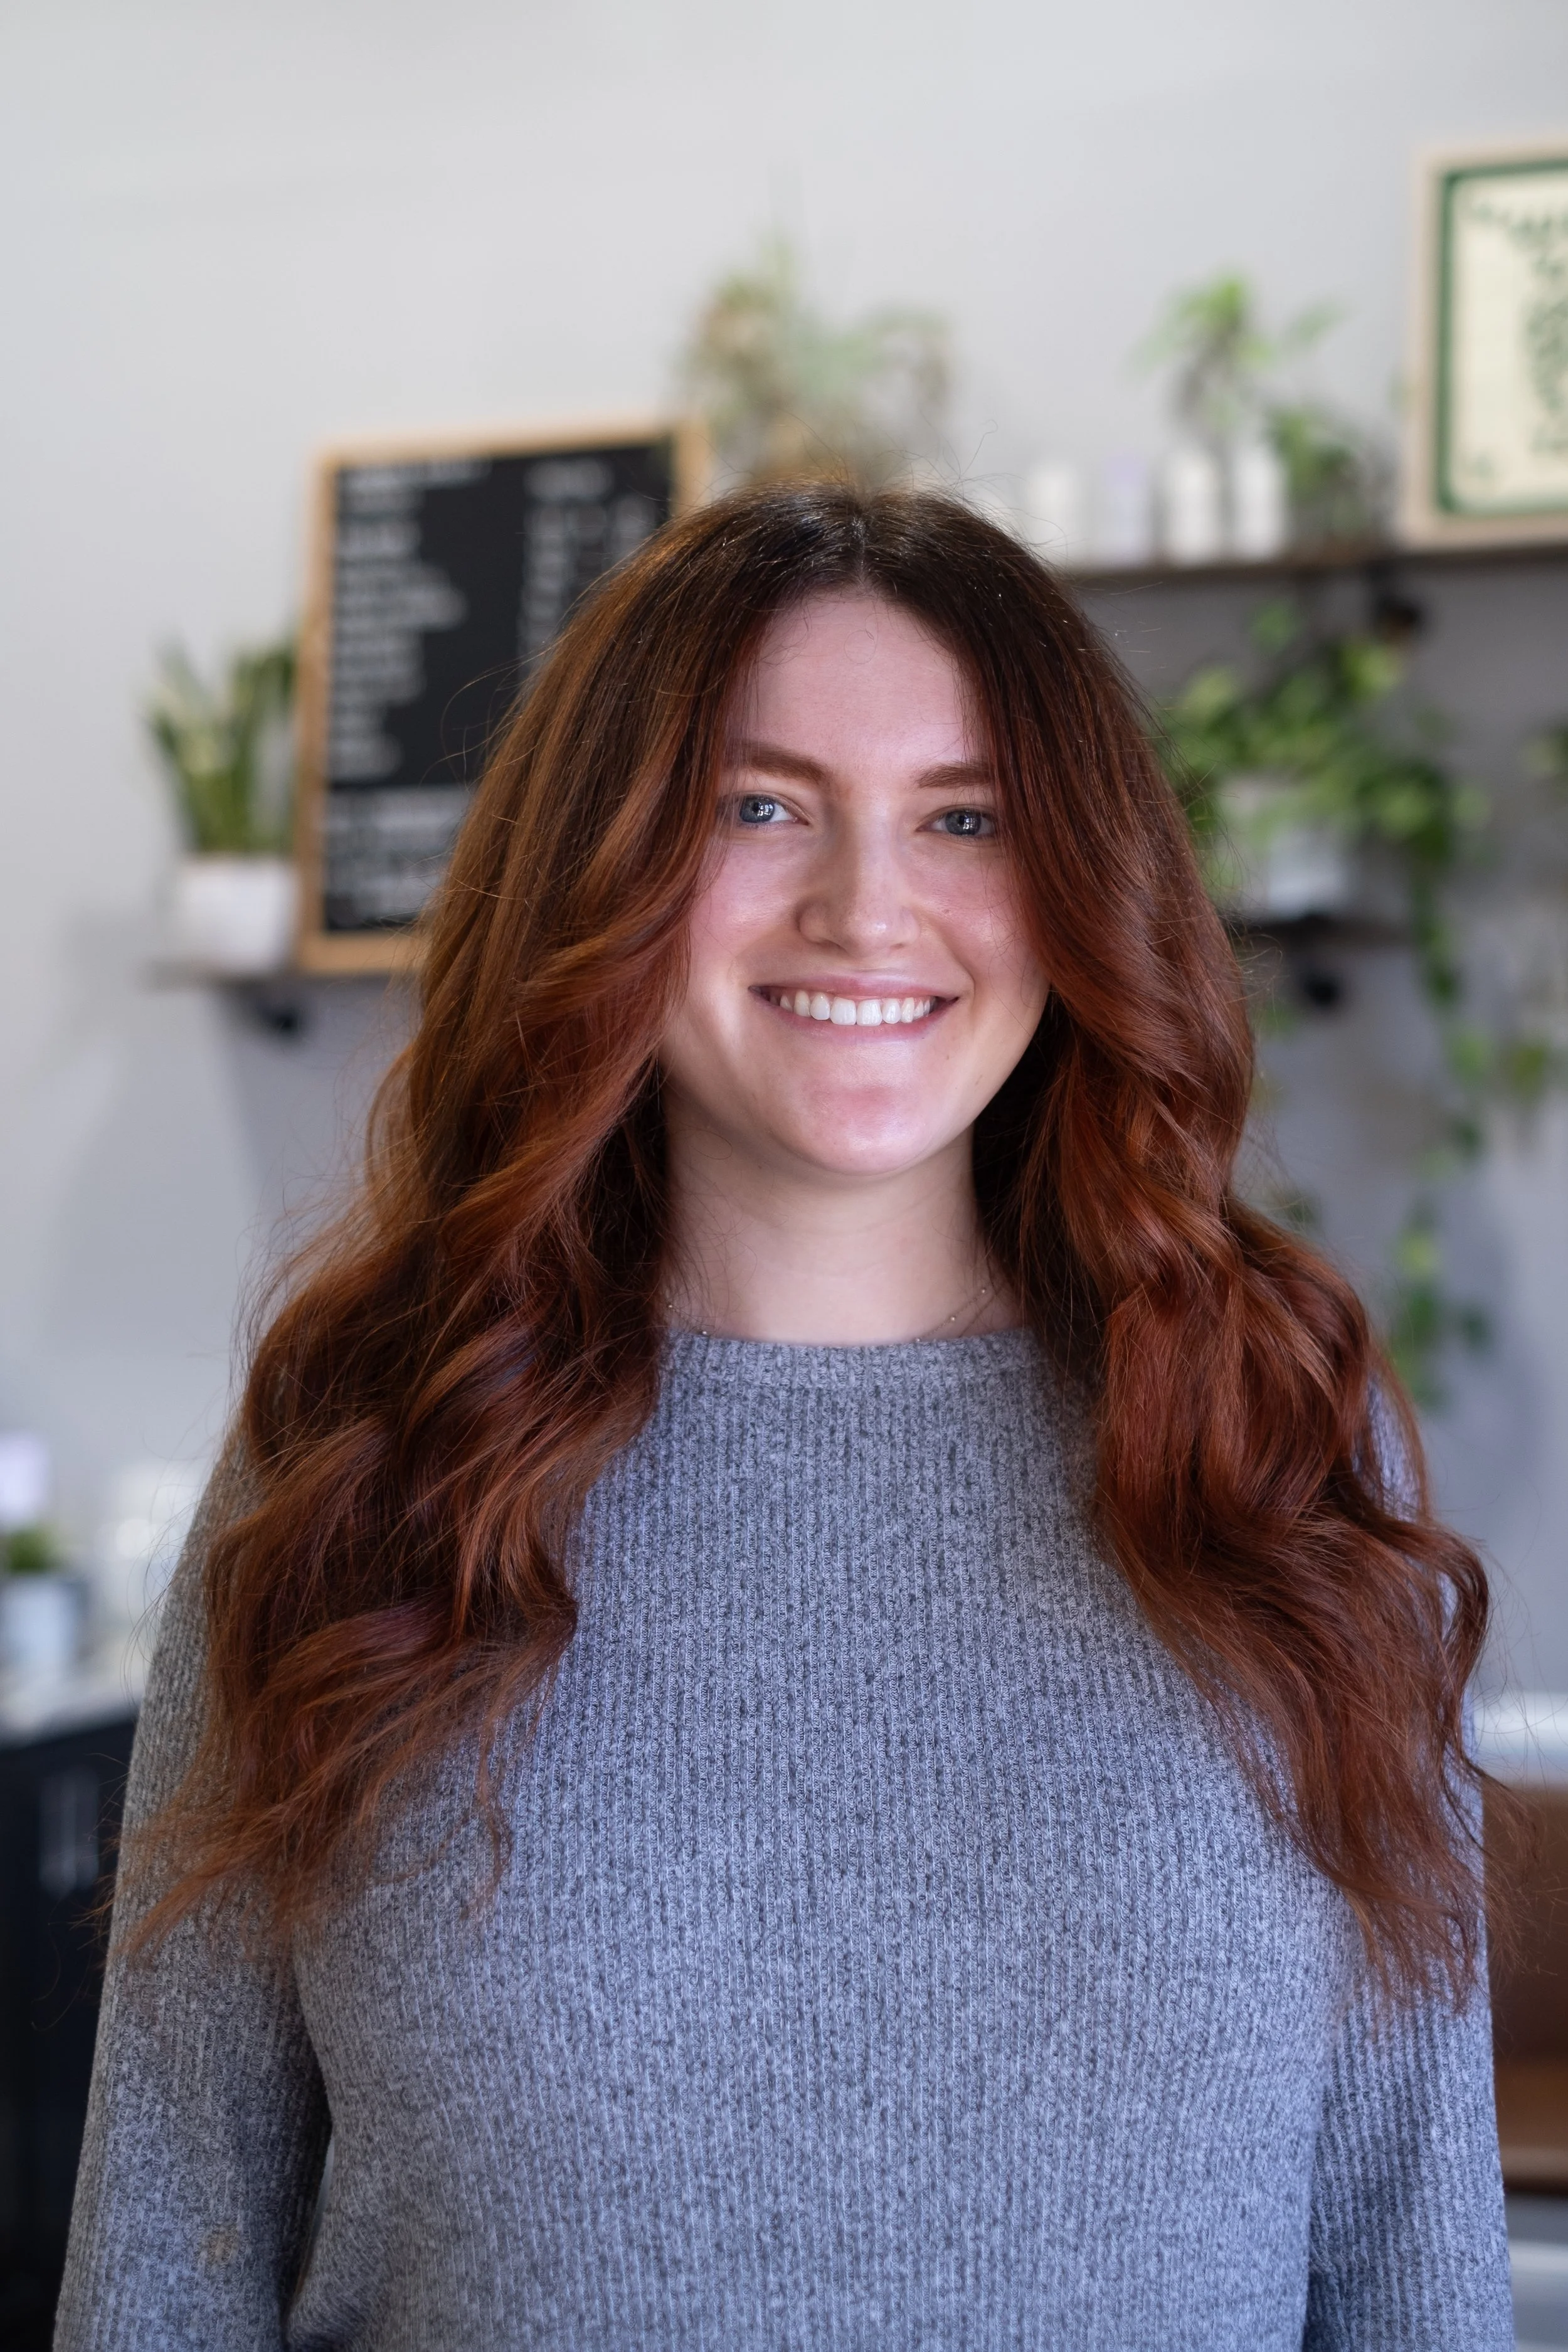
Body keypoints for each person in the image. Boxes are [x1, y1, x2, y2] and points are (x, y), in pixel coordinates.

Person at [58, 484, 1512, 2349]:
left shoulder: (1271, 1450)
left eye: (965, 815)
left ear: (1079, 881)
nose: (865, 906)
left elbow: (1413, 2274)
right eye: (760, 806)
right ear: (608, 866)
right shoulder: (360, 1458)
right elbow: (165, 2255)